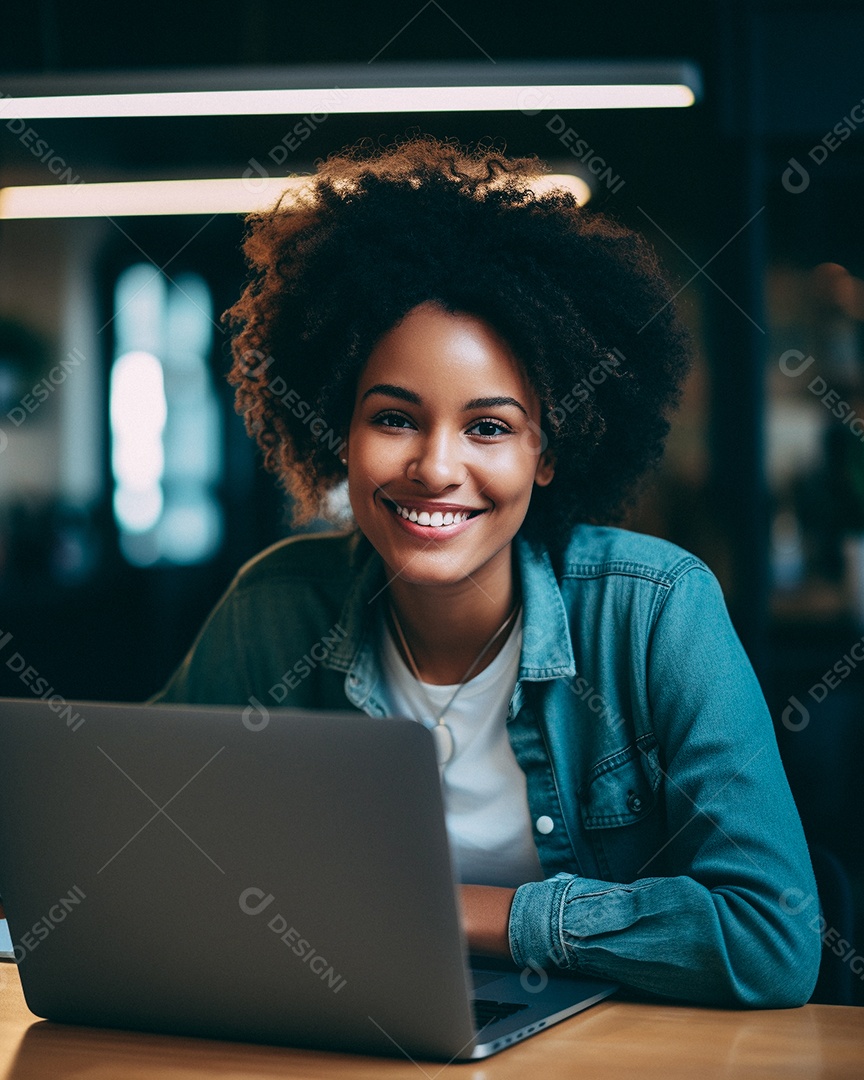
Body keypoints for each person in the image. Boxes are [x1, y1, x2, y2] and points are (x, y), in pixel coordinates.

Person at [152, 133, 820, 1007]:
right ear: (338, 434)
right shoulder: (273, 609)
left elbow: (771, 939)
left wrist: (462, 912)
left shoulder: (656, 610)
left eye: (490, 428)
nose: (435, 468)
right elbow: (143, 854)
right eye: (394, 419)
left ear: (548, 453)